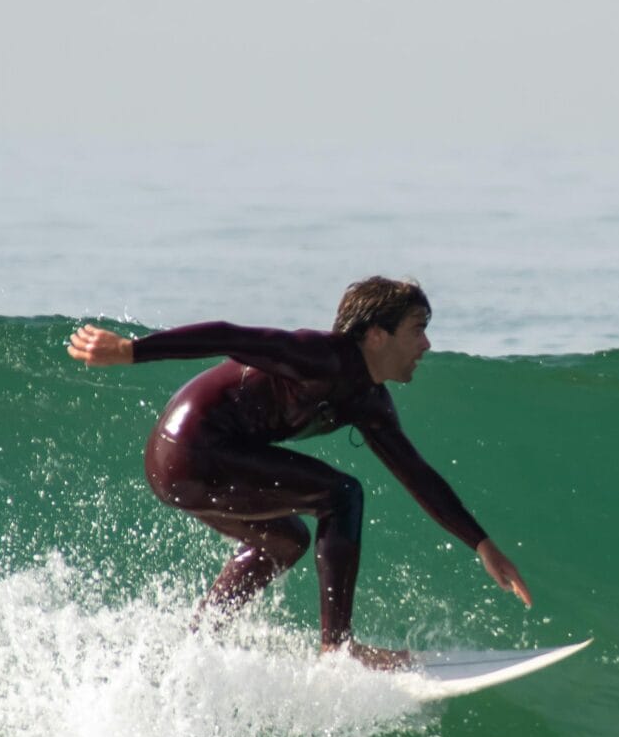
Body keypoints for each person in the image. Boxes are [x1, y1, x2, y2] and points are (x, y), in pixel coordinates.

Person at [68, 276, 530, 670]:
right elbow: (230, 334)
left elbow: (416, 474)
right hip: (192, 449)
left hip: (184, 465)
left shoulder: (368, 401)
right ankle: (338, 648)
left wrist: (481, 544)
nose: (427, 345)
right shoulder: (319, 357)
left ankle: (197, 641)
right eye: (417, 330)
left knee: (286, 540)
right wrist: (130, 351)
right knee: (341, 493)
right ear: (375, 336)